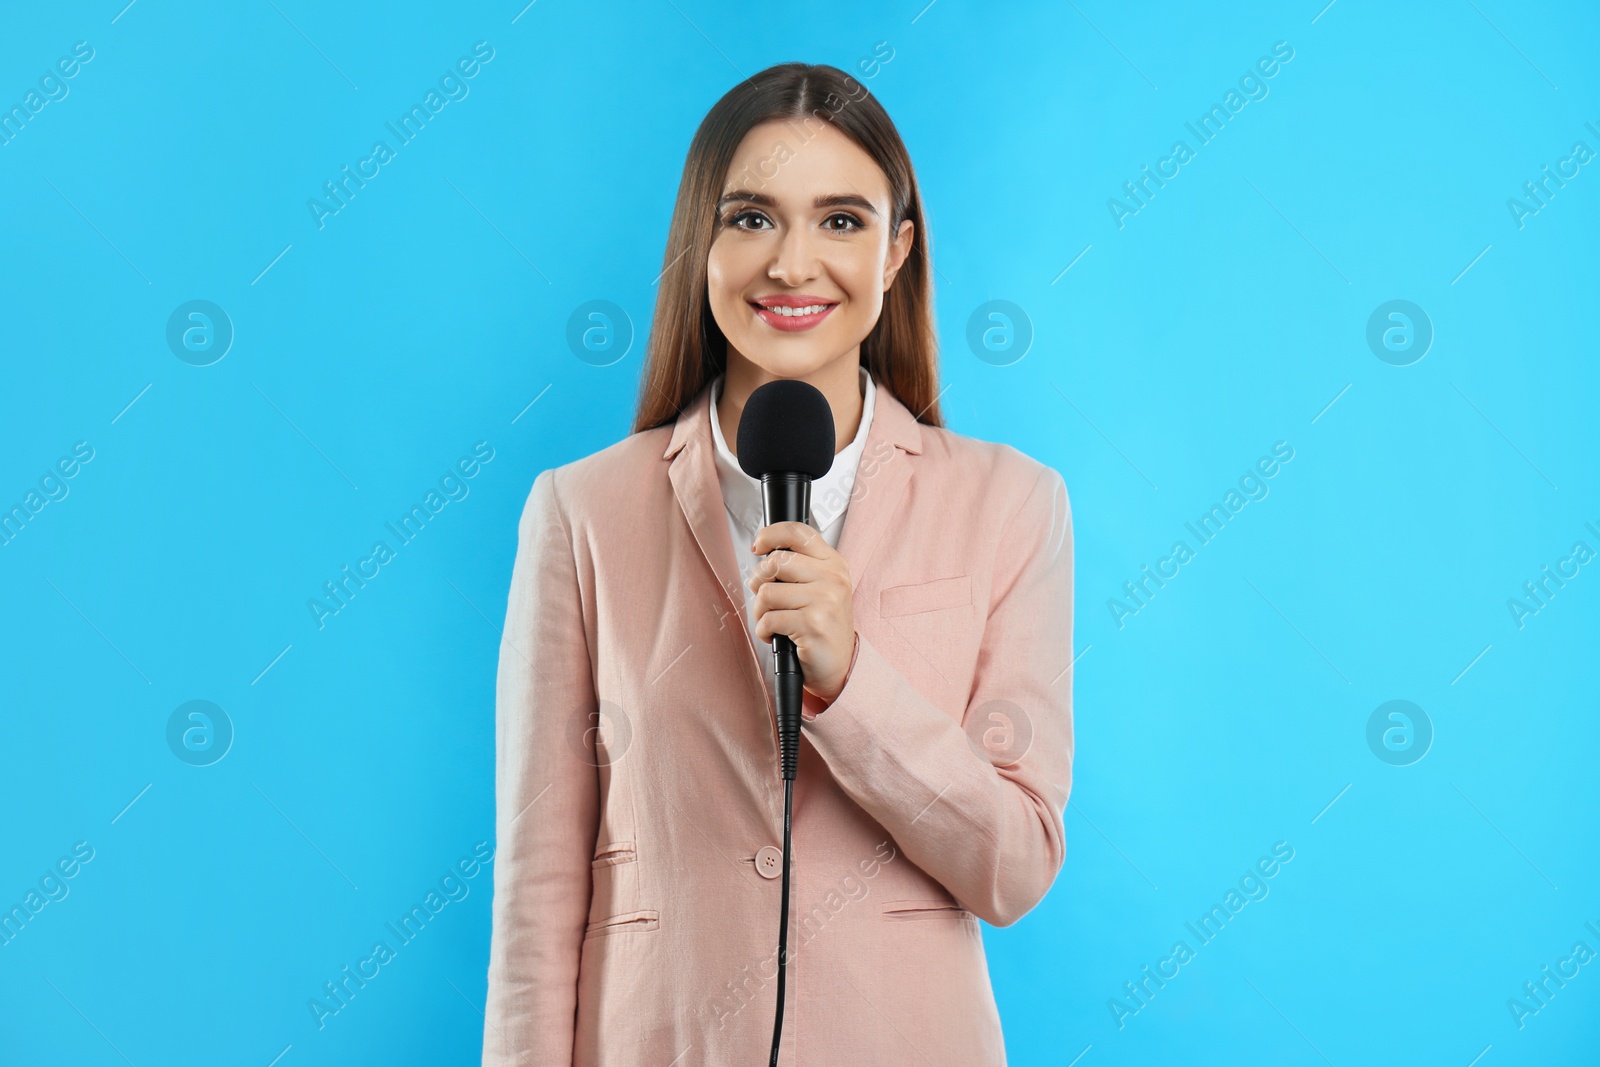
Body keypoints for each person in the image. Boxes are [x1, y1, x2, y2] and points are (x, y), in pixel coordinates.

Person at [483, 62, 1074, 1066]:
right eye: (751, 218)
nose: (793, 263)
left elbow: (1013, 865)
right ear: (699, 245)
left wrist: (852, 683)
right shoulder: (580, 510)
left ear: (896, 252)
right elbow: (538, 887)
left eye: (841, 221)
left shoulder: (1010, 504)